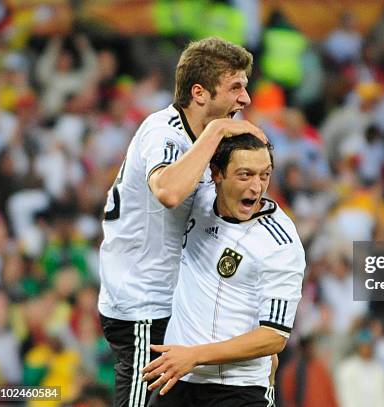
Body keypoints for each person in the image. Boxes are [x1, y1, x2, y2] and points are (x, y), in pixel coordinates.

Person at [97, 37, 266, 407]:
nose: (246, 99)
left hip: (177, 306)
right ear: (199, 93)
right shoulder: (164, 131)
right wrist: (217, 132)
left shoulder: (205, 142)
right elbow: (169, 191)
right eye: (236, 87)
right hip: (142, 308)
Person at [142, 134, 306, 407]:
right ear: (216, 174)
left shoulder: (280, 242)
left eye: (264, 175)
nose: (257, 187)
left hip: (237, 390)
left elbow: (274, 337)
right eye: (245, 175)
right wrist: (220, 127)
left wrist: (194, 356)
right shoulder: (198, 197)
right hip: (177, 380)